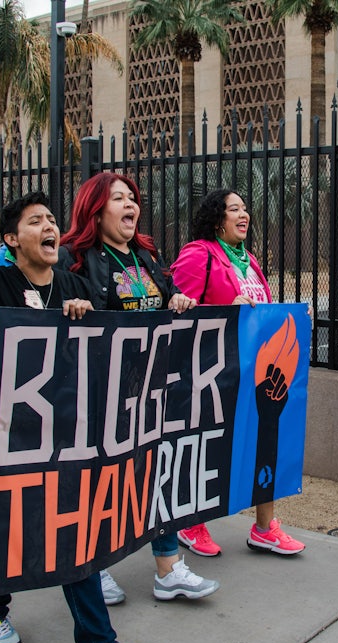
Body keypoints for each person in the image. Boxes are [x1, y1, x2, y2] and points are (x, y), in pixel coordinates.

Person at [0, 157, 157, 643]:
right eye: (35, 222)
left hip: (59, 436)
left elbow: (102, 350)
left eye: (51, 219)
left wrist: (86, 318)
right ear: (12, 240)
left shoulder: (72, 285)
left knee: (72, 534)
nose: (49, 226)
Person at [58, 172, 220, 601]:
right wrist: (70, 308)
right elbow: (52, 312)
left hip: (150, 391)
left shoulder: (145, 255)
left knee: (156, 475)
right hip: (99, 394)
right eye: (118, 198)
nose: (130, 205)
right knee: (102, 481)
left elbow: (166, 300)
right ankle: (98, 567)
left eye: (133, 198)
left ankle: (169, 569)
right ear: (95, 208)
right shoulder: (73, 257)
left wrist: (177, 300)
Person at [170, 189, 306, 557]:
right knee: (209, 446)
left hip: (254, 372)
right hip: (211, 372)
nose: (243, 215)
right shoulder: (199, 253)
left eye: (245, 209)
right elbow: (176, 311)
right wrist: (225, 308)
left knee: (265, 441)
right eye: (234, 210)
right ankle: (190, 522)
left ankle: (265, 528)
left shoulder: (249, 259)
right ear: (217, 219)